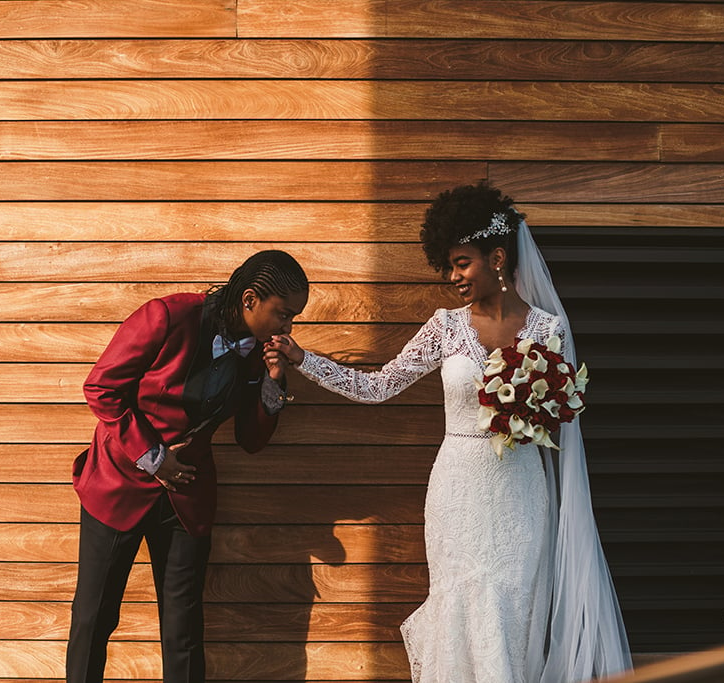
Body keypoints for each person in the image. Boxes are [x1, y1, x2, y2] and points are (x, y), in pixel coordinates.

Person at [265, 182, 633, 683]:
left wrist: (536, 409)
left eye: (462, 263)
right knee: (460, 604)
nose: (453, 276)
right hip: (457, 489)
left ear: (497, 257)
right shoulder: (445, 327)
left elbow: (563, 420)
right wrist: (302, 359)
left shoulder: (549, 331)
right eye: (448, 266)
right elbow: (377, 387)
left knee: (513, 609)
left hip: (521, 492)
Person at [66, 250, 309, 683]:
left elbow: (250, 441)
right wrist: (154, 458)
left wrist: (273, 384)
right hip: (118, 485)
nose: (288, 328)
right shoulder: (166, 316)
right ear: (250, 299)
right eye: (284, 315)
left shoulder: (258, 352)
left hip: (187, 497)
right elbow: (101, 388)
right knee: (93, 619)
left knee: (183, 631)